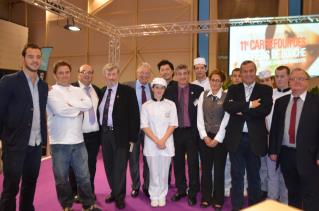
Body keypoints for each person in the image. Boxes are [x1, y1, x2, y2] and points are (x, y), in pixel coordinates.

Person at [0, 43, 48, 211]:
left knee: (30, 183)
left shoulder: (43, 86)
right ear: (23, 59)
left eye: (38, 57)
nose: (35, 60)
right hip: (14, 145)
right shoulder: (9, 81)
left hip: (35, 145)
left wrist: (43, 140)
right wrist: (5, 141)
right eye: (30, 56)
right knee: (11, 188)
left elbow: (41, 113)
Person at [47, 61, 100, 211]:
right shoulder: (51, 91)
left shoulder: (77, 90)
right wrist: (77, 108)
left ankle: (88, 204)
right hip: (59, 142)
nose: (64, 75)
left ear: (71, 73)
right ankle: (66, 205)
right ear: (54, 75)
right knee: (62, 178)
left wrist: (70, 105)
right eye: (60, 73)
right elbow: (61, 110)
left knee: (84, 176)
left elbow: (88, 104)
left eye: (66, 72)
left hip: (78, 140)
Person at [223, 60, 273, 211]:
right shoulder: (233, 89)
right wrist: (250, 105)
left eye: (251, 71)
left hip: (255, 139)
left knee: (254, 176)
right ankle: (237, 206)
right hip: (236, 138)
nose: (248, 74)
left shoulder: (265, 90)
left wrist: (240, 110)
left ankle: (254, 206)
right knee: (236, 175)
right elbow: (228, 107)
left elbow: (264, 110)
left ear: (255, 71)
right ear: (241, 73)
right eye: (245, 71)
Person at [269, 68, 319, 211]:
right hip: (286, 154)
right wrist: (273, 150)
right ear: (289, 81)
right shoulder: (281, 102)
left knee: (311, 193)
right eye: (293, 79)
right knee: (293, 192)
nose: (296, 81)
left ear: (307, 82)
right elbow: (275, 128)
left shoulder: (316, 101)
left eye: (300, 79)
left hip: (309, 155)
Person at [100, 63, 140, 209]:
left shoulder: (127, 91)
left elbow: (135, 116)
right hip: (105, 134)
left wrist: (133, 139)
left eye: (114, 74)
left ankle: (120, 196)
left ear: (118, 75)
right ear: (104, 76)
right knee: (108, 166)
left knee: (120, 167)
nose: (111, 77)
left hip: (121, 136)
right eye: (108, 74)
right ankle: (114, 191)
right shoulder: (103, 91)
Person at [165, 64, 203, 206]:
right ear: (176, 75)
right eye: (179, 74)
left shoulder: (198, 90)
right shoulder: (169, 91)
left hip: (192, 132)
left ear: (189, 75)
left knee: (193, 163)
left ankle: (192, 192)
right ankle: (181, 190)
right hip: (175, 132)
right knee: (178, 163)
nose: (182, 76)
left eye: (185, 73)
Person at [140, 77, 178, 207]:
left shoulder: (171, 104)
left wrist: (163, 140)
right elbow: (144, 126)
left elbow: (173, 124)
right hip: (151, 144)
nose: (159, 90)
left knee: (164, 172)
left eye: (162, 88)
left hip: (166, 143)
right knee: (153, 171)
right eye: (157, 87)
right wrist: (157, 140)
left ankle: (162, 195)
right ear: (152, 89)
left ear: (165, 90)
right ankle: (154, 195)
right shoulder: (146, 106)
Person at [69, 64, 101, 201]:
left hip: (94, 135)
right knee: (75, 165)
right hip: (77, 134)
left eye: (90, 72)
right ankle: (75, 191)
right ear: (78, 74)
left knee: (91, 165)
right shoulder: (71, 89)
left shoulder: (97, 90)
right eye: (84, 72)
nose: (87, 74)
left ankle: (89, 191)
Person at [197, 70, 228, 210]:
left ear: (222, 82)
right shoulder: (203, 95)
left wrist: (217, 139)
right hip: (205, 138)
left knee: (219, 170)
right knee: (206, 169)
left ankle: (218, 198)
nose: (215, 82)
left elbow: (226, 119)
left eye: (218, 80)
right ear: (209, 81)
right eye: (213, 80)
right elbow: (199, 118)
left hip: (220, 139)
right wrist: (204, 136)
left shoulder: (227, 96)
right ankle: (206, 197)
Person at [125, 63, 152, 198]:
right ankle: (135, 186)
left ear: (150, 75)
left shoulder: (154, 88)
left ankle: (147, 186)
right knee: (133, 158)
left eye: (147, 73)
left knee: (148, 158)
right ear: (137, 73)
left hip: (149, 130)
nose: (144, 76)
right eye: (142, 73)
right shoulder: (127, 87)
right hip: (132, 130)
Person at [265, 66, 290, 203]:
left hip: (287, 141)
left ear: (288, 77)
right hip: (270, 138)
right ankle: (272, 201)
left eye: (282, 76)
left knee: (285, 175)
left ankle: (285, 203)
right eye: (277, 76)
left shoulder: (294, 94)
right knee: (271, 174)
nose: (279, 79)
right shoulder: (270, 94)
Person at [257, 70, 274, 199]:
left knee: (274, 168)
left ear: (272, 81)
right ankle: (264, 189)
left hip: (275, 137)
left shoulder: (280, 96)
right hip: (262, 136)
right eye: (262, 81)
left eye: (267, 80)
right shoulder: (258, 98)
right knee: (262, 165)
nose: (265, 83)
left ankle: (274, 193)